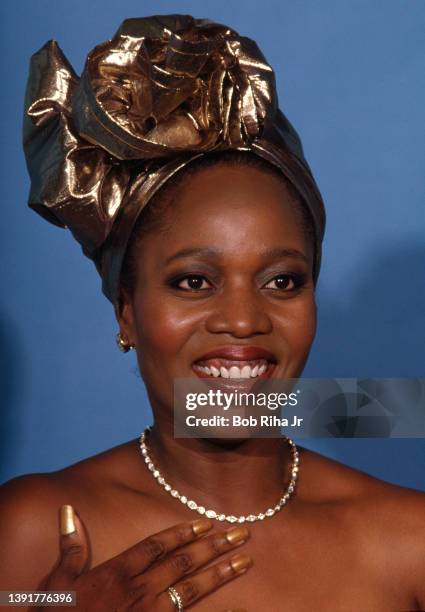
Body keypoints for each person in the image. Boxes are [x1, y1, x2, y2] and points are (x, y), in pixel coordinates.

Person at [1, 14, 424, 612]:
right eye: (194, 281)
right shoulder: (37, 531)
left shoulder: (410, 541)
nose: (244, 320)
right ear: (127, 310)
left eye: (282, 280)